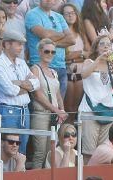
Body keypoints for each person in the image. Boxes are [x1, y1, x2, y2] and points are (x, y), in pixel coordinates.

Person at [0, 30, 39, 156]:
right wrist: (27, 85)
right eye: (18, 44)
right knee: (6, 152)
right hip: (7, 111)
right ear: (6, 45)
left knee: (21, 151)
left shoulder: (22, 63)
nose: (21, 48)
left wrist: (18, 83)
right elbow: (10, 90)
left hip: (23, 111)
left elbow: (37, 83)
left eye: (22, 45)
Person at [30, 37, 68, 169]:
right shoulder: (35, 69)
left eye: (53, 52)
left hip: (54, 115)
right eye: (47, 51)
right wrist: (57, 110)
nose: (50, 54)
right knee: (40, 153)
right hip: (41, 113)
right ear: (40, 52)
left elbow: (58, 94)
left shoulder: (54, 72)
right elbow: (37, 95)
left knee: (49, 152)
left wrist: (62, 110)